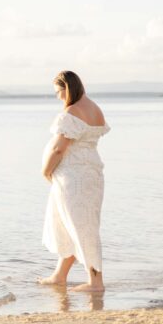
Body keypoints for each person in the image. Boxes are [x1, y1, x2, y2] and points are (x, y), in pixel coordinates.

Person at [39, 71, 110, 293]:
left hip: (74, 178)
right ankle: (60, 275)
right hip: (92, 174)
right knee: (73, 224)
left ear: (66, 88)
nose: (58, 97)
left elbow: (59, 148)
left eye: (58, 92)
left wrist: (46, 170)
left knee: (80, 227)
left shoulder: (71, 112)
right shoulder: (95, 109)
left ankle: (95, 282)